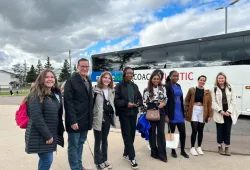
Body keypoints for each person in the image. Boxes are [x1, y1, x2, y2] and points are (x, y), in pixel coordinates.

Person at [25, 69, 64, 170]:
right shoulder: (35, 93)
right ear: (41, 79)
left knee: (44, 160)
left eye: (52, 77)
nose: (50, 79)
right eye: (47, 77)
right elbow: (36, 116)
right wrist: (47, 135)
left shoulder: (54, 93)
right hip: (41, 134)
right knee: (47, 160)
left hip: (50, 132)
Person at [64, 58, 93, 170]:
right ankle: (75, 167)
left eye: (87, 66)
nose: (85, 68)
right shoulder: (71, 82)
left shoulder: (88, 81)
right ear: (77, 67)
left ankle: (79, 165)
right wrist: (73, 121)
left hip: (85, 120)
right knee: (73, 146)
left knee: (81, 143)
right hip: (75, 121)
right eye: (82, 66)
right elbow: (68, 102)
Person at [114, 67, 143, 170]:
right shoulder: (119, 86)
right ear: (124, 74)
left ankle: (126, 153)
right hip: (124, 114)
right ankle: (132, 158)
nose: (130, 75)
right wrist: (127, 104)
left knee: (131, 135)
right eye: (128, 73)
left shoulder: (134, 86)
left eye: (132, 73)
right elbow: (116, 101)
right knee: (127, 135)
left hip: (133, 114)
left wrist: (138, 103)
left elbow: (140, 98)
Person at [184, 75, 213, 156]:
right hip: (194, 110)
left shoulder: (207, 92)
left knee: (201, 130)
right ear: (198, 80)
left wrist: (210, 115)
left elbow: (209, 104)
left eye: (204, 80)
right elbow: (186, 101)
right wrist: (185, 111)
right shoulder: (192, 90)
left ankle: (199, 147)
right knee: (194, 130)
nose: (202, 82)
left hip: (203, 111)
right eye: (201, 80)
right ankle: (192, 148)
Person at [93, 71, 116, 170]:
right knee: (98, 141)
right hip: (98, 118)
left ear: (111, 80)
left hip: (107, 117)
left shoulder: (111, 91)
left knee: (105, 140)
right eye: (105, 77)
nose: (107, 79)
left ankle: (104, 159)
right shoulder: (95, 90)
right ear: (101, 78)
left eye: (109, 78)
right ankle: (98, 161)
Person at [212, 72, 239, 156]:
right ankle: (219, 146)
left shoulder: (231, 87)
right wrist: (220, 111)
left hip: (228, 113)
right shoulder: (214, 88)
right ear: (217, 79)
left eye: (222, 78)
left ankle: (227, 147)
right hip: (219, 113)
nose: (220, 79)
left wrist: (229, 111)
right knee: (220, 130)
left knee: (227, 130)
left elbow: (233, 100)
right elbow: (213, 102)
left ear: (225, 79)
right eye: (219, 78)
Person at [143, 73, 168, 162]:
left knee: (161, 133)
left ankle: (162, 154)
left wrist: (163, 103)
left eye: (158, 79)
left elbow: (165, 98)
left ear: (160, 80)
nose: (156, 80)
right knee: (152, 132)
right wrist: (150, 107)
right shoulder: (147, 89)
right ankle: (154, 152)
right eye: (154, 79)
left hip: (161, 111)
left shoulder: (163, 88)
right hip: (151, 112)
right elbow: (144, 102)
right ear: (151, 79)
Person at [165, 70, 189, 158]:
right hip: (171, 112)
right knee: (171, 132)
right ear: (170, 76)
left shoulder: (178, 85)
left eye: (177, 76)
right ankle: (173, 150)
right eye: (174, 76)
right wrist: (166, 115)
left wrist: (183, 112)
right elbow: (165, 101)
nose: (176, 78)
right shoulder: (167, 86)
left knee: (183, 132)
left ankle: (182, 150)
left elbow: (181, 98)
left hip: (179, 111)